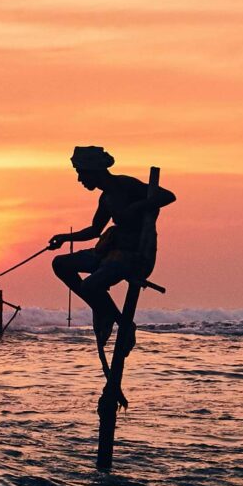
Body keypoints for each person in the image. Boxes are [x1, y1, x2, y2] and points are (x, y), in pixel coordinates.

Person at [48, 146, 174, 369]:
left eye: (81, 172)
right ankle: (104, 311)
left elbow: (167, 196)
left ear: (94, 170)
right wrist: (64, 238)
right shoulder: (105, 199)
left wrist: (136, 207)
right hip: (109, 253)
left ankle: (122, 323)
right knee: (60, 263)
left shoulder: (126, 185)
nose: (79, 179)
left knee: (88, 287)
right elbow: (95, 230)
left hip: (134, 257)